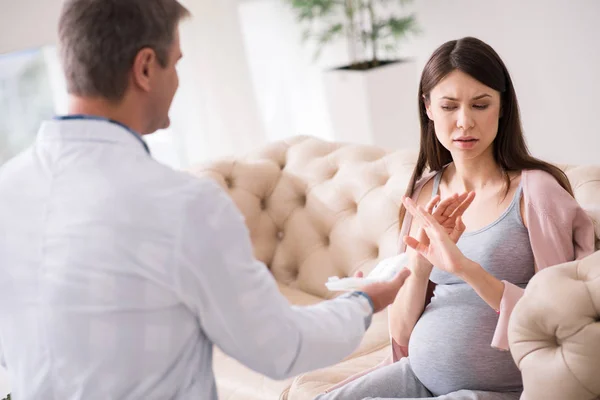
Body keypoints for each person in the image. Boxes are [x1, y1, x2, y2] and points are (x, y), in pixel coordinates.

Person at [0, 1, 448, 399]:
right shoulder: (182, 204)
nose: (176, 81)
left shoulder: (7, 190)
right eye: (175, 64)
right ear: (145, 68)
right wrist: (365, 300)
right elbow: (281, 347)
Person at [315, 37, 595, 400]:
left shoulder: (536, 193)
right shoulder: (423, 192)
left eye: (480, 105)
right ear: (428, 108)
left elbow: (562, 318)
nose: (465, 122)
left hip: (502, 390)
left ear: (502, 107)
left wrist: (464, 268)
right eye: (449, 106)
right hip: (417, 375)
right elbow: (400, 336)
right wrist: (418, 265)